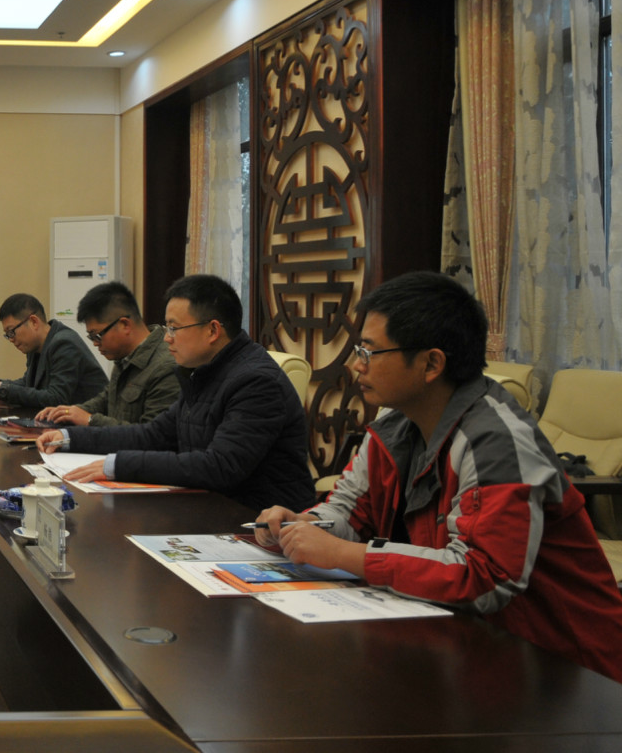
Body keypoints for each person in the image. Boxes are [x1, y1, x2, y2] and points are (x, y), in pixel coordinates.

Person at [253, 271, 622, 682]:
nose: (357, 364)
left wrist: (342, 555)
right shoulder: (394, 425)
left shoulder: (496, 442)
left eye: (370, 351)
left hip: (563, 668)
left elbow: (485, 578)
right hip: (459, 645)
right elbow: (350, 511)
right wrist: (304, 526)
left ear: (431, 363)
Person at [37, 274, 313, 511]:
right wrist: (69, 437)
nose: (167, 337)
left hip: (257, 522)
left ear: (212, 330)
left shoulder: (256, 381)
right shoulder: (204, 372)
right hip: (206, 507)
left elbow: (219, 466)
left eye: (174, 328)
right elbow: (153, 435)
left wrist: (118, 465)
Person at [37, 281, 180, 428]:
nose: (95, 343)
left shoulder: (166, 367)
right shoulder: (125, 357)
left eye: (97, 336)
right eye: (91, 337)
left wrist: (90, 420)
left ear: (124, 325)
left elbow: (152, 434)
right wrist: (69, 412)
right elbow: (106, 400)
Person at [0, 293, 105, 412]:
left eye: (11, 331)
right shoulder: (35, 346)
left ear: (34, 322)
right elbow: (28, 383)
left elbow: (57, 398)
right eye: (7, 335)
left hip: (92, 425)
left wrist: (2, 390)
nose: (11, 339)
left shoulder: (64, 343)